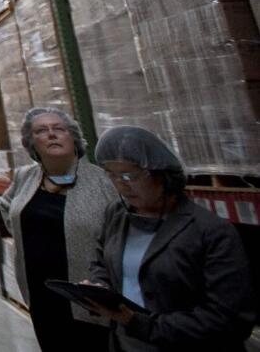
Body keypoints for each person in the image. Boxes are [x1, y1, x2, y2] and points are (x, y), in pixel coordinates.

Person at [82, 126, 255, 351]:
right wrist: (99, 287)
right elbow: (101, 262)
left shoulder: (209, 231)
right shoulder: (117, 214)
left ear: (161, 174)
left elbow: (230, 320)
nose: (121, 185)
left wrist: (138, 322)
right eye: (112, 175)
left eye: (128, 176)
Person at [0, 107, 118, 351]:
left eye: (59, 129)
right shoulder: (25, 177)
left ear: (72, 137)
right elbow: (6, 205)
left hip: (88, 298)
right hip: (41, 296)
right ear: (32, 144)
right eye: (42, 131)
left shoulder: (103, 182)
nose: (52, 134)